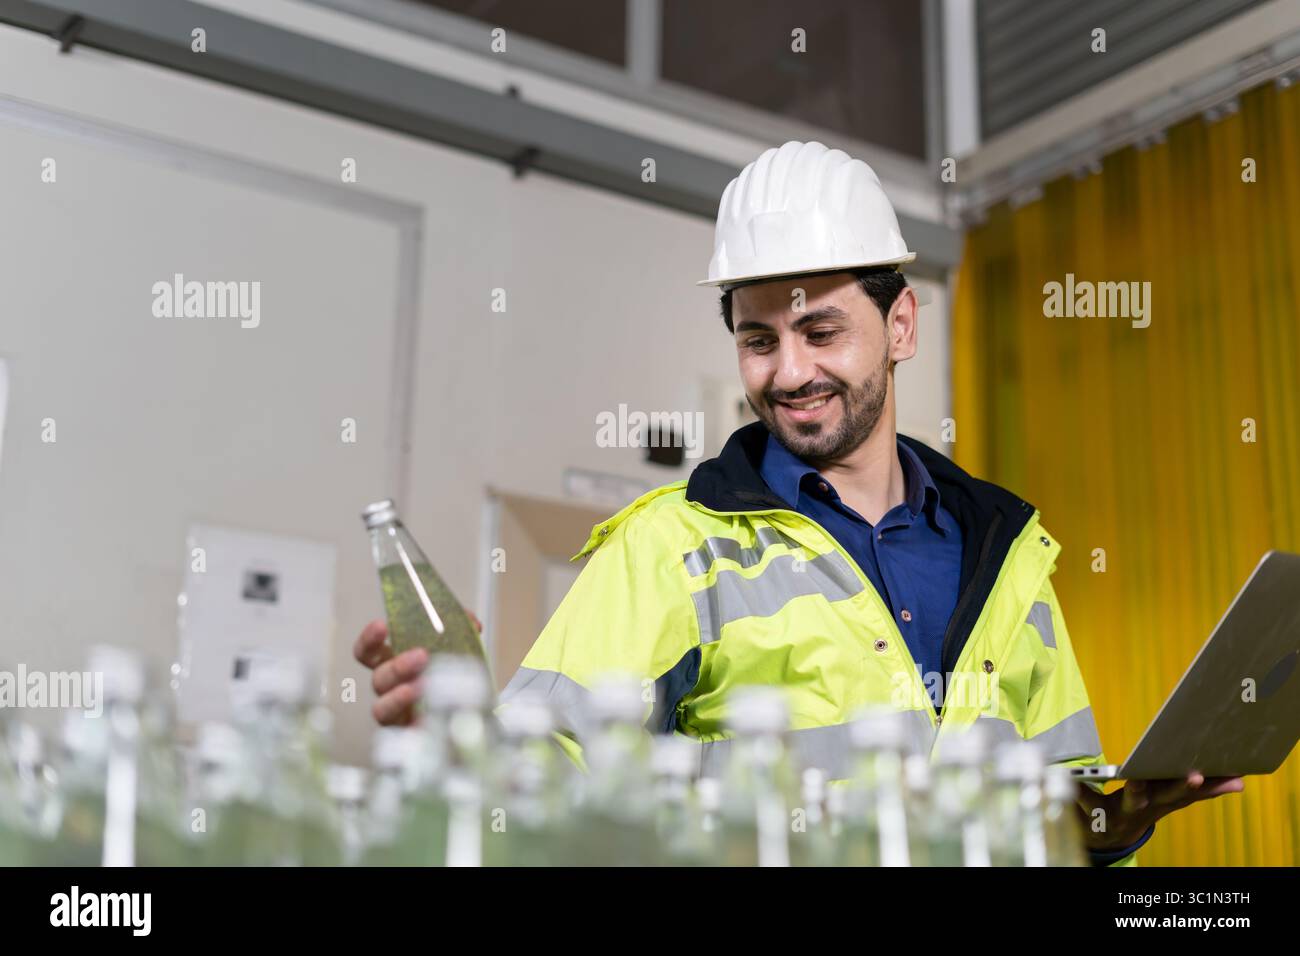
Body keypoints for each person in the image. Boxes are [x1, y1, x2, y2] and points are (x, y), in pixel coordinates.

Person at [353, 141, 1243, 865]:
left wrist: (1115, 824)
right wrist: (459, 732)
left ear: (900, 328)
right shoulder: (673, 547)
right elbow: (543, 783)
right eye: (758, 339)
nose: (789, 373)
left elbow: (1059, 810)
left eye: (821, 330)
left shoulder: (1007, 555)